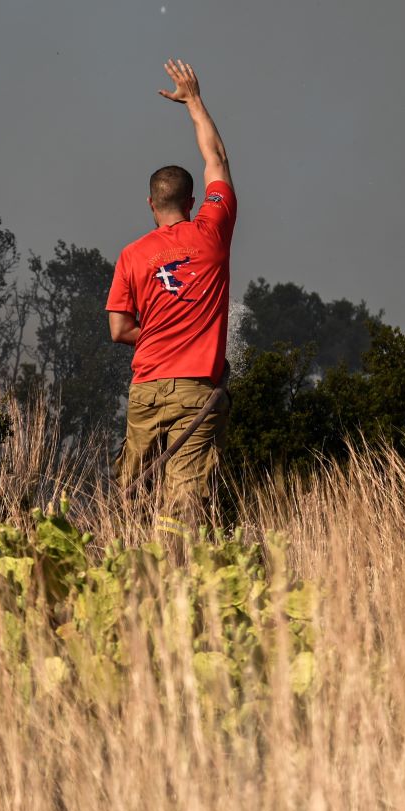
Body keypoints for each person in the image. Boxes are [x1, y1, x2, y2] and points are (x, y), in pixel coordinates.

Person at [106, 59, 236, 514]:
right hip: (197, 390)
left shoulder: (131, 255)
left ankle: (128, 570)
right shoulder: (212, 231)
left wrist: (157, 335)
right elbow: (215, 159)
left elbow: (119, 330)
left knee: (129, 498)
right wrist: (194, 101)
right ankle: (180, 572)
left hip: (145, 390)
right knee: (186, 503)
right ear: (193, 201)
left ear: (150, 203)